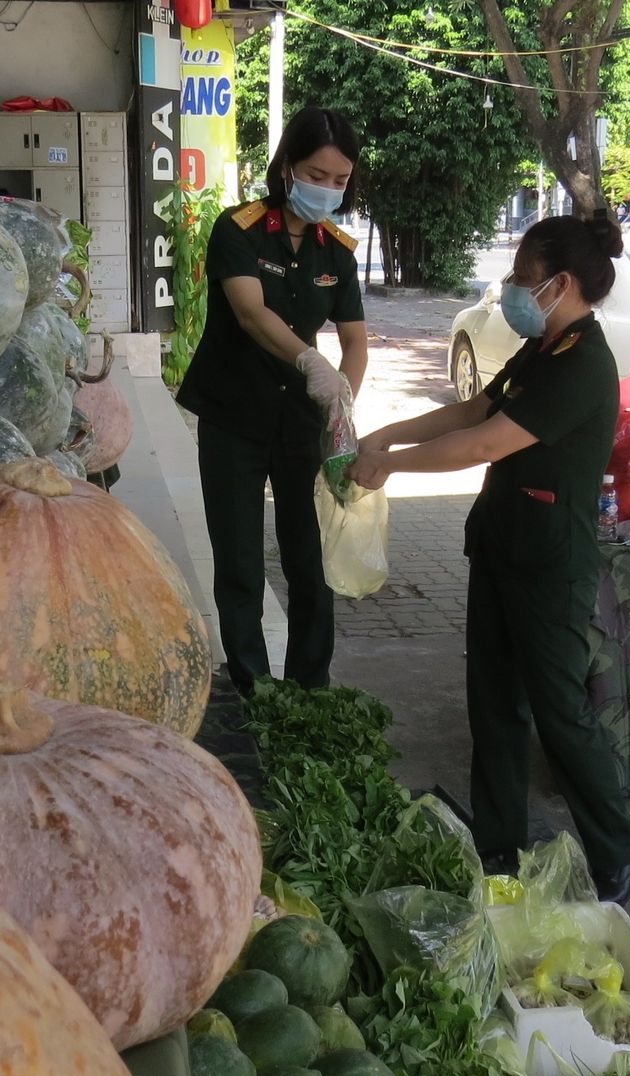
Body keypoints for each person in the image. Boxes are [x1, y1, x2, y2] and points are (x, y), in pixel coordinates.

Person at [347, 214, 630, 902]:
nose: (510, 287)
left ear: (560, 284)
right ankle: (499, 845)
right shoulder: (544, 350)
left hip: (550, 566)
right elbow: (475, 411)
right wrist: (385, 434)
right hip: (503, 548)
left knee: (560, 713)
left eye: (522, 276)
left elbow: (485, 446)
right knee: (494, 706)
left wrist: (392, 466)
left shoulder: (584, 365)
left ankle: (616, 852)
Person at [177, 108, 367, 696]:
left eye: (340, 180)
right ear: (288, 167)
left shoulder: (335, 249)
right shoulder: (238, 228)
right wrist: (311, 361)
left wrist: (344, 401)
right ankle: (254, 688)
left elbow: (356, 341)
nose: (328, 189)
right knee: (238, 562)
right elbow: (250, 312)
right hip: (234, 414)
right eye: (318, 174)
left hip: (298, 424)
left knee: (308, 559)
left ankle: (311, 689)